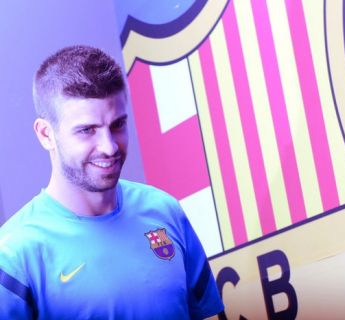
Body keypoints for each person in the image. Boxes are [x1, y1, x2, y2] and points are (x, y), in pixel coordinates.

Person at [0, 45, 224, 319]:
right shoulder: (13, 255)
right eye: (87, 130)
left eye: (117, 125)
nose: (109, 146)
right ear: (46, 134)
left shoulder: (166, 211)